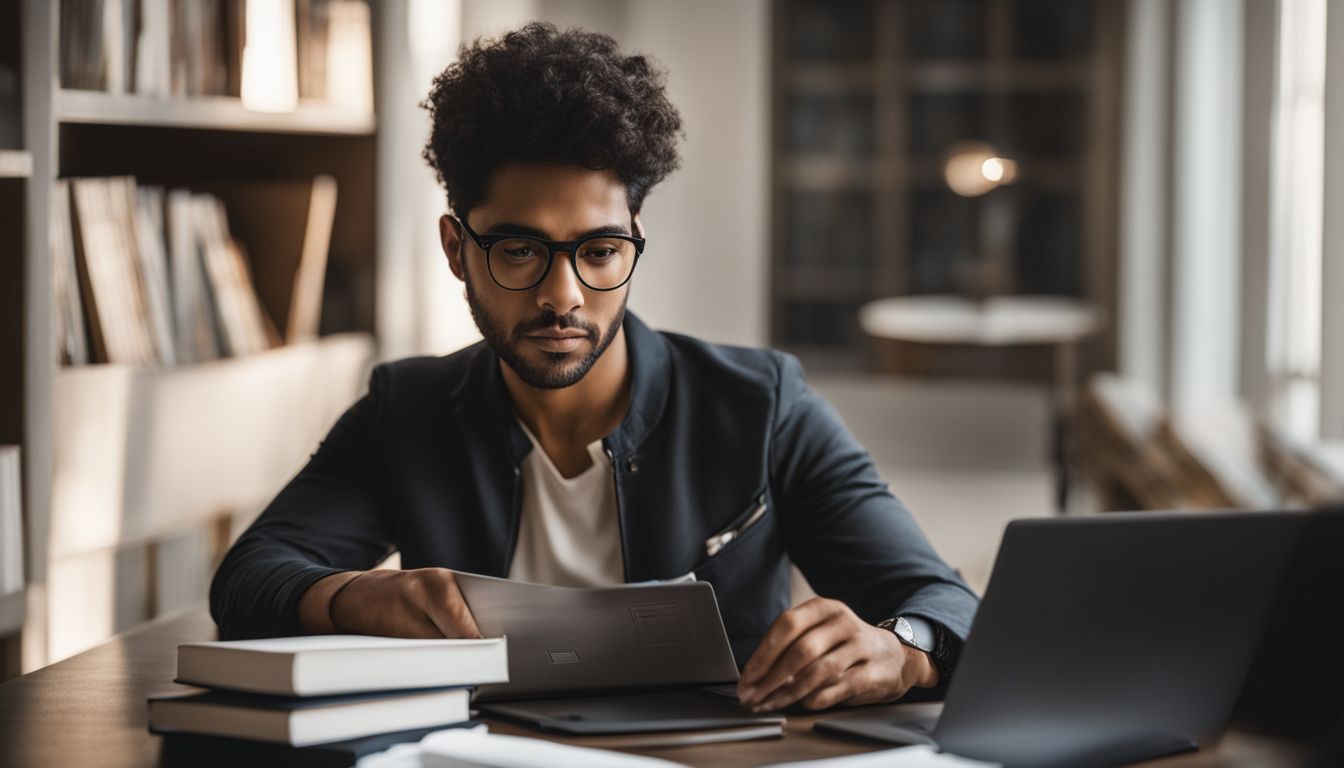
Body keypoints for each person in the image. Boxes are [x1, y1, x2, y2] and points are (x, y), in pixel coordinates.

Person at [210, 22, 978, 714]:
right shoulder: (407, 407)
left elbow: (944, 602)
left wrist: (902, 650)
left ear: (634, 239)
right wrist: (354, 598)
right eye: (519, 251)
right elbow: (249, 577)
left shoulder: (760, 403)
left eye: (599, 251)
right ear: (456, 250)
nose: (562, 297)